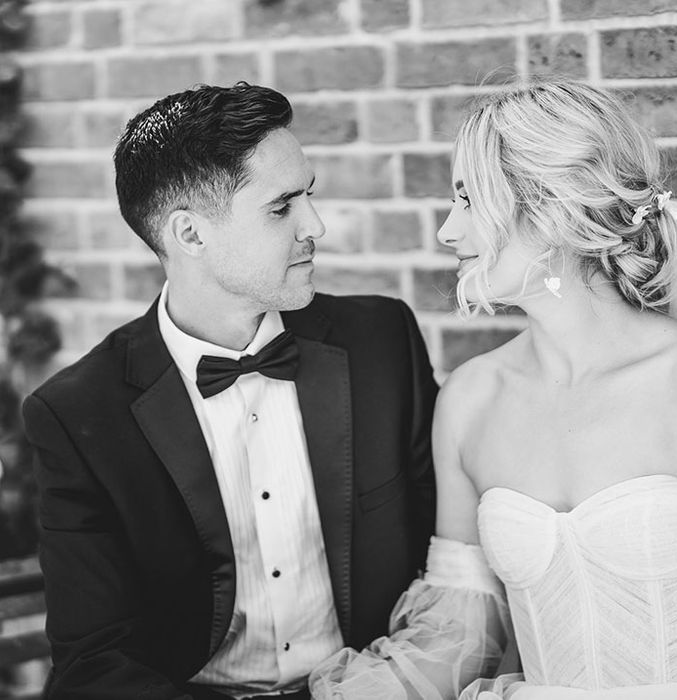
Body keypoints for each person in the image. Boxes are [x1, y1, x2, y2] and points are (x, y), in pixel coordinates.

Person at [308, 80, 677, 699]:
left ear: (548, 210)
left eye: (468, 200)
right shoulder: (470, 400)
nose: (448, 231)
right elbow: (459, 630)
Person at [22, 82, 438, 700]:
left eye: (310, 197)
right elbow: (96, 661)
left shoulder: (382, 343)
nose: (316, 225)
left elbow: (444, 566)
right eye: (282, 207)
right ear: (190, 234)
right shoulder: (78, 412)